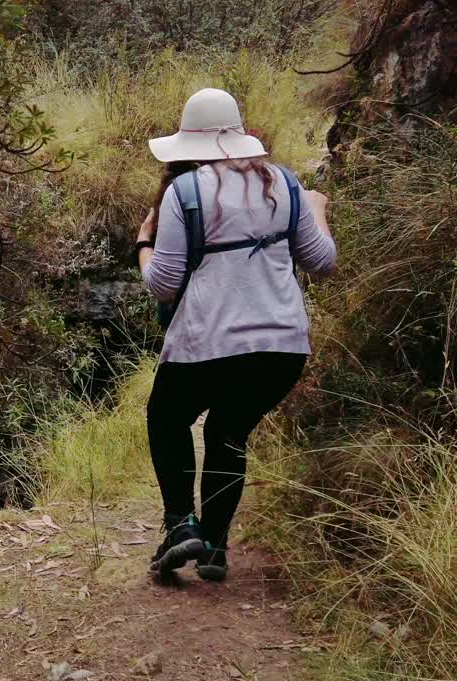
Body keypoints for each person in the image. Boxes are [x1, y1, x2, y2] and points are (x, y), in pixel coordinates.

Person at [135, 88, 337, 581]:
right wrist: (317, 210)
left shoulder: (182, 194)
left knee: (167, 417)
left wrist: (143, 242)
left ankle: (183, 525)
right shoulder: (286, 185)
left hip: (206, 342)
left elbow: (163, 282)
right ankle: (215, 548)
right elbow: (322, 262)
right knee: (228, 432)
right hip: (281, 347)